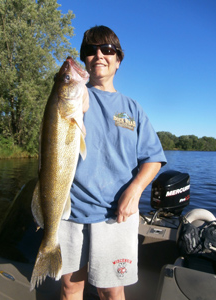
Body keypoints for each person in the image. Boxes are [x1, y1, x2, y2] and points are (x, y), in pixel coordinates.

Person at [59, 25, 167, 300]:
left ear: (118, 60)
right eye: (90, 51)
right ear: (84, 59)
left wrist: (135, 191)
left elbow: (153, 158)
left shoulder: (132, 109)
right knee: (71, 286)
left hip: (116, 215)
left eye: (107, 50)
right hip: (71, 211)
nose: (99, 55)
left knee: (110, 290)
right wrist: (73, 91)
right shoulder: (74, 94)